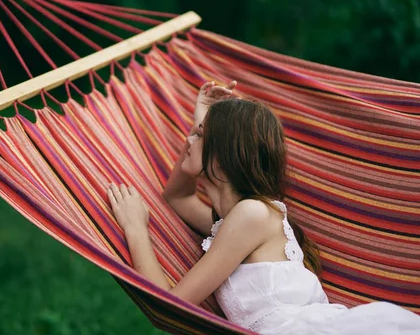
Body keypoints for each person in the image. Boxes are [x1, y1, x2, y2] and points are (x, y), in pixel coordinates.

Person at [107, 81, 420, 335]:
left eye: (200, 136)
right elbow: (177, 197)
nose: (188, 139)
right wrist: (202, 122)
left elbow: (170, 304)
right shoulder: (240, 220)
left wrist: (135, 228)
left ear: (224, 154)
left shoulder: (251, 215)